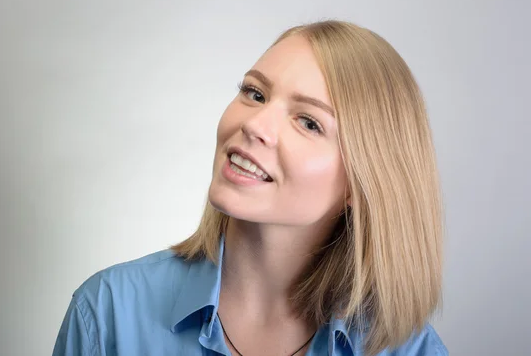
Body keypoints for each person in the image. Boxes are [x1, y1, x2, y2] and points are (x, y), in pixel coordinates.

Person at [52, 20, 447, 356]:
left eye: (309, 122)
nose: (254, 125)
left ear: (360, 187)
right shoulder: (108, 314)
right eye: (255, 93)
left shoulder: (408, 349)